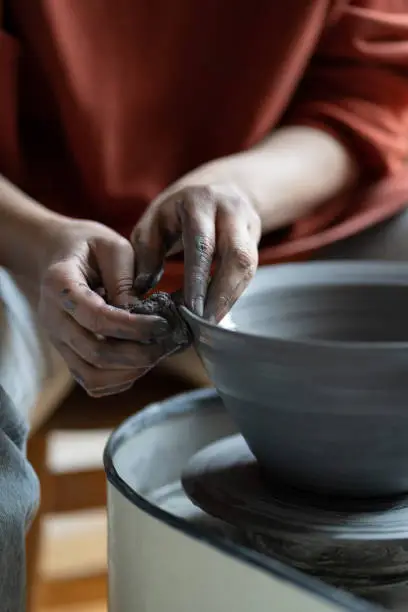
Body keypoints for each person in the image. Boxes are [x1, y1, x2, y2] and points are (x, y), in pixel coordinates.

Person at [1, 1, 408, 608]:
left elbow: (372, 92)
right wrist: (37, 240)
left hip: (288, 212)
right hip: (30, 234)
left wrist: (241, 189)